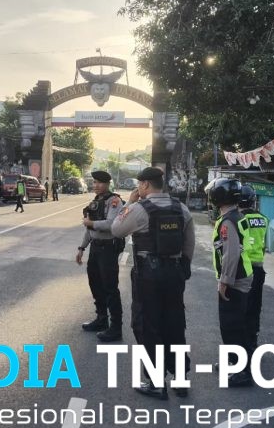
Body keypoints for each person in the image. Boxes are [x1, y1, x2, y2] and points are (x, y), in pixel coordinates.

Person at [111, 167, 195, 399]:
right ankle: (180, 379)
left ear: (146, 185)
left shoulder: (139, 209)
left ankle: (156, 383)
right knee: (175, 324)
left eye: (139, 184)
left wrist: (129, 203)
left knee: (147, 326)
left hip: (148, 275)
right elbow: (189, 242)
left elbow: (116, 229)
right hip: (174, 273)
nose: (138, 188)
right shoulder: (181, 208)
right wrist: (183, 267)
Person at [208, 177, 254, 387]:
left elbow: (231, 253)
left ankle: (242, 371)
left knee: (231, 327)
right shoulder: (237, 216)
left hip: (235, 280)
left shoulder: (228, 221)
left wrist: (224, 281)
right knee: (235, 324)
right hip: (242, 276)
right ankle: (235, 362)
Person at [76, 171, 125, 342]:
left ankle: (116, 327)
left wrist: (91, 223)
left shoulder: (114, 201)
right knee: (95, 284)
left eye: (99, 182)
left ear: (107, 184)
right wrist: (82, 248)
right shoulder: (96, 201)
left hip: (108, 249)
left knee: (110, 288)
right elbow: (89, 230)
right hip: (95, 249)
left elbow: (111, 224)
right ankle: (101, 319)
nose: (95, 185)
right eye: (94, 182)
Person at [238, 185, 268, 351]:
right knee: (255, 307)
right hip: (259, 268)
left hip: (244, 269)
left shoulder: (239, 220)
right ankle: (252, 342)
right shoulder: (263, 219)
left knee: (240, 308)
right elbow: (264, 245)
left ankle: (240, 347)